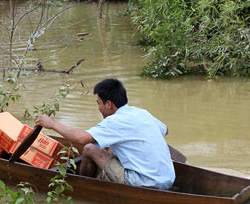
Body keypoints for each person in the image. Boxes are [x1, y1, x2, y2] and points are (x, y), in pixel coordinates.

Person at [36, 78, 175, 190]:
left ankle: (85, 189)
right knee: (111, 148)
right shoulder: (141, 113)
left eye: (99, 104)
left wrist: (52, 124)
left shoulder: (115, 121)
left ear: (109, 104)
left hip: (143, 182)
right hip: (167, 179)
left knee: (89, 149)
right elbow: (166, 130)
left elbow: (82, 138)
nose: (99, 108)